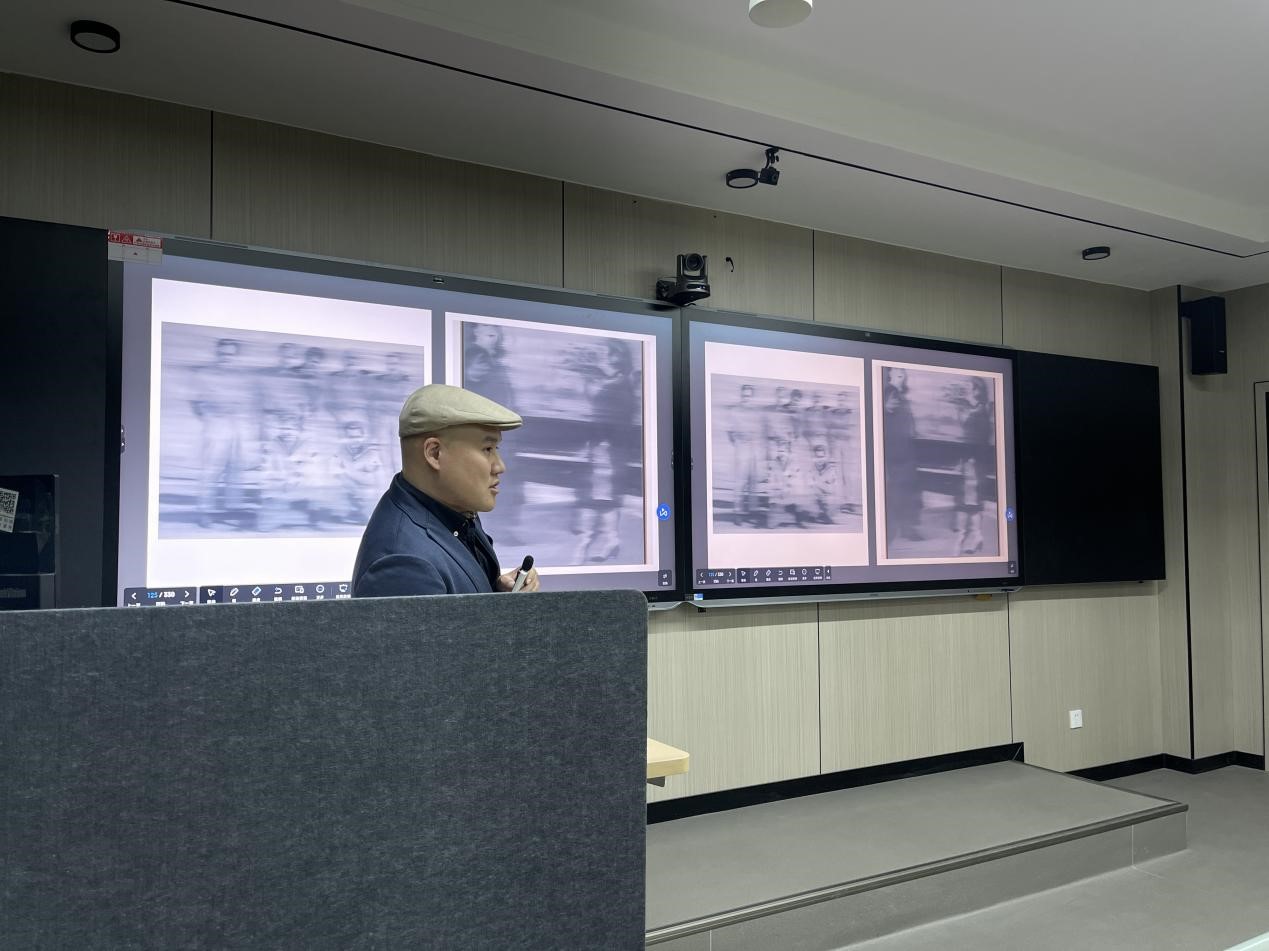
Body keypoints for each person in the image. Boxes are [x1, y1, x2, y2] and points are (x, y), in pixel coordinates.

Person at [352, 383, 540, 597]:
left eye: (495, 448)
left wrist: (494, 590)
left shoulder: (453, 508)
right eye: (487, 449)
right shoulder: (404, 566)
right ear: (434, 453)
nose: (500, 466)